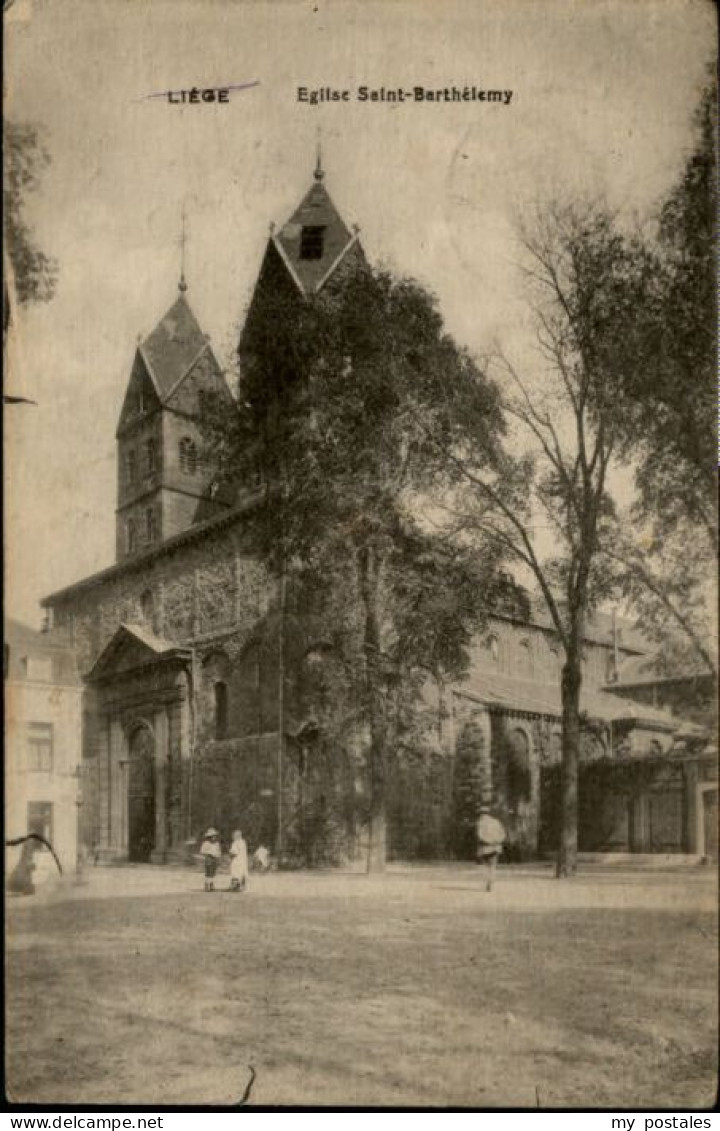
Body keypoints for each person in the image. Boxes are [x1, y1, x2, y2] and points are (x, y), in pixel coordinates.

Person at [476, 805, 506, 892]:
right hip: (496, 846)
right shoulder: (496, 822)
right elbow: (503, 834)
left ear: (481, 814)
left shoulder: (480, 823)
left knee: (485, 865)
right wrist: (497, 841)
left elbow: (480, 835)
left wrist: (489, 841)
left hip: (485, 847)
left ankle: (488, 882)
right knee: (493, 866)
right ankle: (491, 882)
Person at [200, 827, 222, 892]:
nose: (214, 837)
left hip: (215, 859)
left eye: (215, 836)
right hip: (209, 858)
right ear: (209, 837)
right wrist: (209, 853)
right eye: (212, 836)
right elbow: (202, 851)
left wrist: (218, 855)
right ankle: (207, 884)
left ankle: (211, 884)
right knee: (208, 872)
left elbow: (219, 851)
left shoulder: (217, 843)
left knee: (213, 872)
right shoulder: (206, 843)